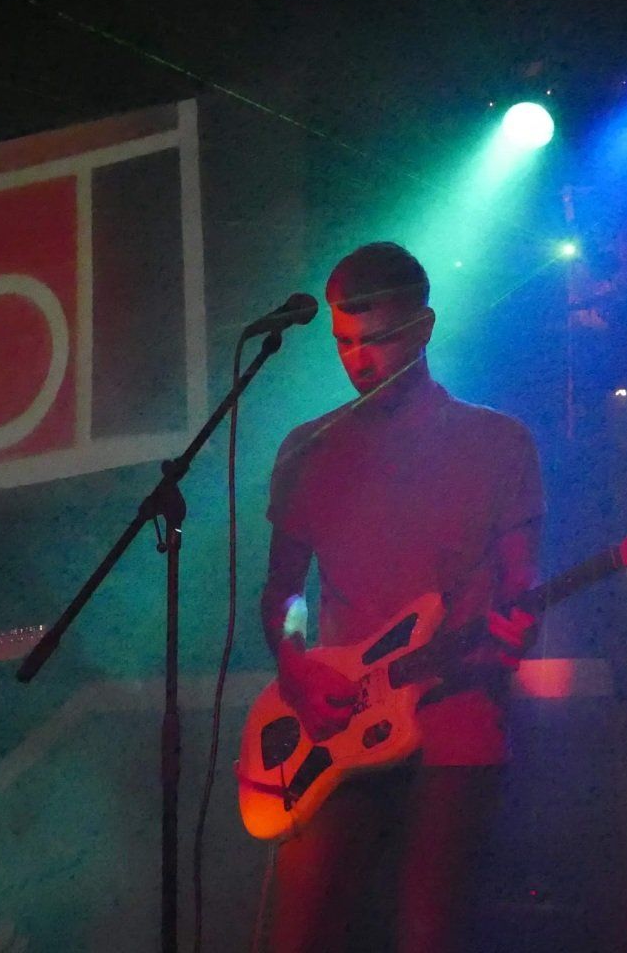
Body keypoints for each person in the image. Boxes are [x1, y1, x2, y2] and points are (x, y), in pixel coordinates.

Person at [260, 242, 545, 952]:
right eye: (344, 342)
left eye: (378, 340)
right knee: (298, 932)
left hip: (455, 718)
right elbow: (283, 592)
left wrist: (516, 631)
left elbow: (521, 586)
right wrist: (295, 666)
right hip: (338, 726)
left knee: (428, 933)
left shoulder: (499, 443)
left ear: (423, 327)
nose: (358, 360)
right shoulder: (306, 450)